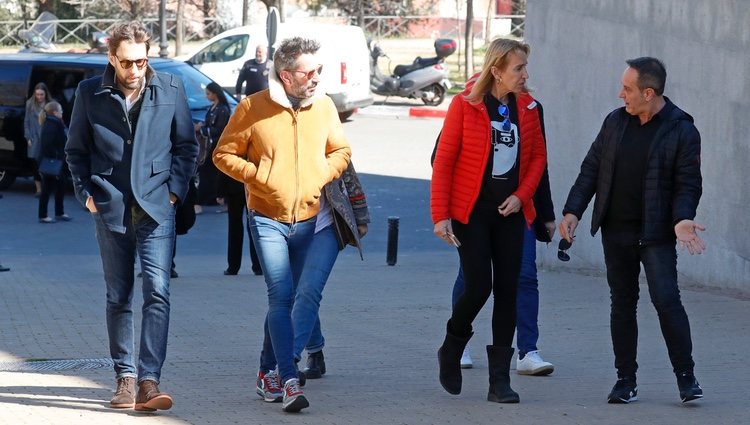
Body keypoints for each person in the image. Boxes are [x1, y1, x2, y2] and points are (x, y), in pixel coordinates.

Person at [65, 21, 198, 412]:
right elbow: (75, 151)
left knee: (158, 290)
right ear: (112, 58)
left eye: (141, 61)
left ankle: (148, 380)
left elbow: (187, 146)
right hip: (110, 206)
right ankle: (124, 377)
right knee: (118, 295)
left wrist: (174, 192)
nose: (135, 71)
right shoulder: (90, 92)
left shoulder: (170, 88)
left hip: (158, 207)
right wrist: (87, 196)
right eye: (126, 63)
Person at [213, 36, 351, 413]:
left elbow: (341, 150)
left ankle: (264, 371)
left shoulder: (323, 107)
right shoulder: (252, 107)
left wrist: (325, 170)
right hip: (267, 218)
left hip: (308, 218)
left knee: (290, 298)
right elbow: (222, 154)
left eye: (319, 70)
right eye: (310, 71)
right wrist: (258, 175)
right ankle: (287, 379)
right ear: (286, 76)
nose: (317, 77)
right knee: (281, 296)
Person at [559, 57, 704, 404]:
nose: (620, 94)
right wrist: (572, 210)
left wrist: (683, 218)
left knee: (667, 301)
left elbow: (688, 184)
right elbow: (591, 168)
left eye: (627, 88)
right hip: (616, 231)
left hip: (655, 235)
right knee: (622, 304)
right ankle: (625, 381)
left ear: (649, 92)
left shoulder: (682, 130)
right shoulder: (614, 122)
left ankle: (686, 378)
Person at [430, 38, 547, 404]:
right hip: (472, 213)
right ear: (496, 70)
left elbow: (539, 159)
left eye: (526, 67)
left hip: (511, 213)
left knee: (508, 290)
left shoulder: (528, 107)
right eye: (518, 68)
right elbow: (444, 160)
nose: (526, 75)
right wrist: (440, 215)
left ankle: (500, 381)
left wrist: (522, 196)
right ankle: (452, 345)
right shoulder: (465, 105)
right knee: (479, 286)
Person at [293, 162, 369, 378]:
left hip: (324, 226)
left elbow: (347, 171)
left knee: (308, 290)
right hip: (286, 227)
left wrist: (361, 214)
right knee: (299, 292)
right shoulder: (274, 132)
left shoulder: (325, 130)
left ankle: (290, 359)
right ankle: (315, 350)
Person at [194, 82, 229, 209]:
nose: (207, 96)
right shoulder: (212, 108)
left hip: (216, 145)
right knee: (208, 173)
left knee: (207, 171)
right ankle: (210, 198)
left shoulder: (223, 109)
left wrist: (202, 130)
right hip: (208, 146)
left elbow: (219, 130)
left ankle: (203, 201)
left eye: (208, 93)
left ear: (215, 93)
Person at [37, 101, 71, 223]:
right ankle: (43, 215)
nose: (62, 112)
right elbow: (47, 145)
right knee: (47, 188)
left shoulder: (56, 123)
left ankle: (59, 212)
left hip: (57, 161)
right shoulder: (52, 124)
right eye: (60, 110)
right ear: (55, 112)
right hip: (52, 162)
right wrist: (57, 156)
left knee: (61, 186)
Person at [24, 82, 53, 197]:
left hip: (46, 138)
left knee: (45, 164)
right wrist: (28, 137)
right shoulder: (30, 104)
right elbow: (26, 122)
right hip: (34, 138)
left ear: (46, 94)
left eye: (41, 94)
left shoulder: (50, 105)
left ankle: (46, 188)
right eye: (37, 94)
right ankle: (38, 189)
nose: (39, 97)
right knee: (35, 165)